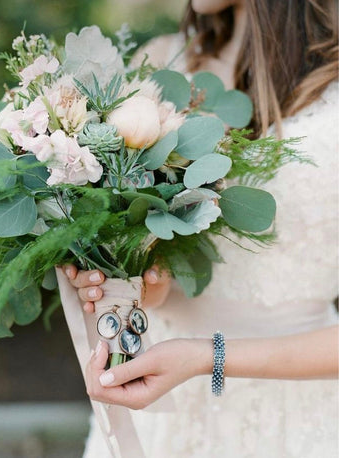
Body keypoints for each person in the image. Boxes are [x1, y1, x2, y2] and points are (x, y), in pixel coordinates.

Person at [64, 0, 339, 456]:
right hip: (158, 410)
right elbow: (161, 261)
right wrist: (140, 284)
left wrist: (207, 357)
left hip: (297, 419)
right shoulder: (159, 65)